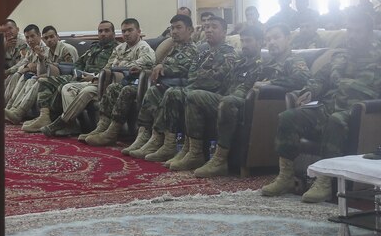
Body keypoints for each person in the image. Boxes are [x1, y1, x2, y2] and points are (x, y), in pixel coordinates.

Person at [261, 8, 381, 202]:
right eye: (349, 30)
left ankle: (324, 181)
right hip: (329, 105)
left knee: (335, 121)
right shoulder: (341, 54)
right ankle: (286, 176)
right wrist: (311, 90)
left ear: (369, 32)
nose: (352, 35)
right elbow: (321, 77)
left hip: (358, 112)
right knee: (287, 117)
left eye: (357, 31)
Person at [188, 24, 311, 177]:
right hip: (248, 102)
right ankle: (194, 152)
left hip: (263, 107)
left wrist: (271, 83)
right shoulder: (268, 62)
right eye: (268, 39)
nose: (271, 42)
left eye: (276, 37)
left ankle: (220, 160)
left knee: (229, 102)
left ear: (288, 38)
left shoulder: (293, 59)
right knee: (198, 96)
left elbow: (302, 78)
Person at [135, 16, 239, 163]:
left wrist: (200, 77)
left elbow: (214, 81)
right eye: (207, 27)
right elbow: (192, 75)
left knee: (173, 92)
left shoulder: (229, 54)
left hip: (213, 95)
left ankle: (182, 149)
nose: (209, 30)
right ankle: (159, 140)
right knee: (156, 90)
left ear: (224, 32)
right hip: (195, 89)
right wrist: (202, 76)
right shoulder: (203, 54)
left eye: (214, 27)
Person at [89, 13, 197, 149]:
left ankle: (147, 138)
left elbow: (182, 69)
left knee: (131, 90)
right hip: (156, 83)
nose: (174, 31)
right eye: (172, 28)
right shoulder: (174, 49)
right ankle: (107, 128)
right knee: (114, 87)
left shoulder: (193, 50)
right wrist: (144, 70)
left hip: (174, 86)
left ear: (190, 30)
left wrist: (162, 68)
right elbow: (156, 67)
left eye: (178, 27)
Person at [44, 18, 154, 136]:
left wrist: (115, 69)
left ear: (138, 31)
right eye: (124, 31)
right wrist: (97, 76)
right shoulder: (120, 48)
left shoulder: (143, 48)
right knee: (68, 88)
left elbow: (143, 64)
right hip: (103, 80)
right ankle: (71, 125)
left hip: (123, 83)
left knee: (86, 91)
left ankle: (62, 121)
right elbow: (108, 67)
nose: (126, 34)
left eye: (130, 30)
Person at [22, 21, 116, 132]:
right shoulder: (93, 48)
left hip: (97, 81)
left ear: (113, 33)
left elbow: (111, 69)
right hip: (80, 76)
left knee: (65, 87)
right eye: (100, 31)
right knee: (45, 81)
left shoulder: (116, 49)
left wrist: (94, 77)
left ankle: (67, 123)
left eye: (106, 31)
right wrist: (78, 73)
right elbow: (77, 64)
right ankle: (44, 117)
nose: (103, 33)